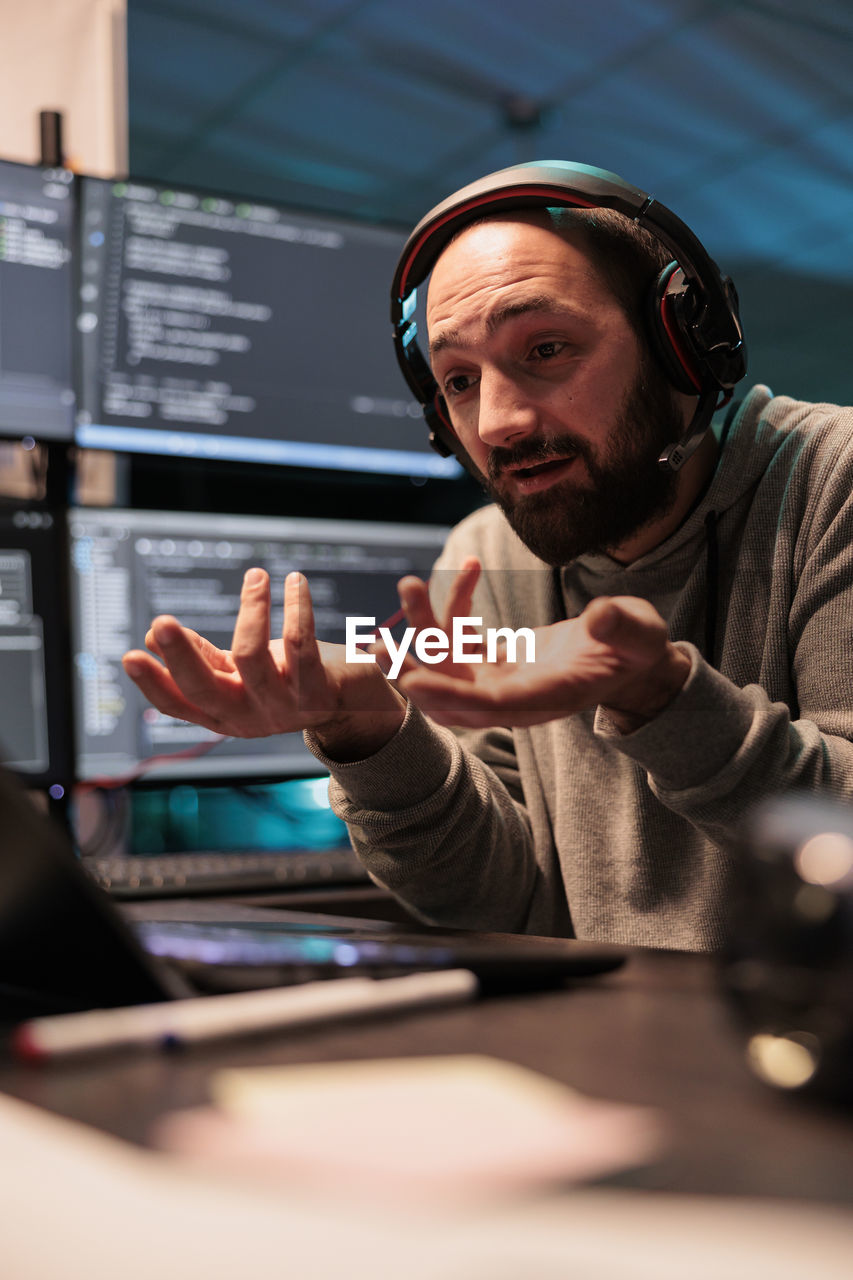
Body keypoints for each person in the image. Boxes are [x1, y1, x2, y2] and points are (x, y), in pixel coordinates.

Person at [122, 162, 853, 952]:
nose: (496, 422)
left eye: (545, 348)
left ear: (681, 344)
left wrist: (664, 698)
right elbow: (501, 903)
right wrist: (369, 732)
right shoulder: (488, 554)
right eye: (459, 381)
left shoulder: (830, 480)